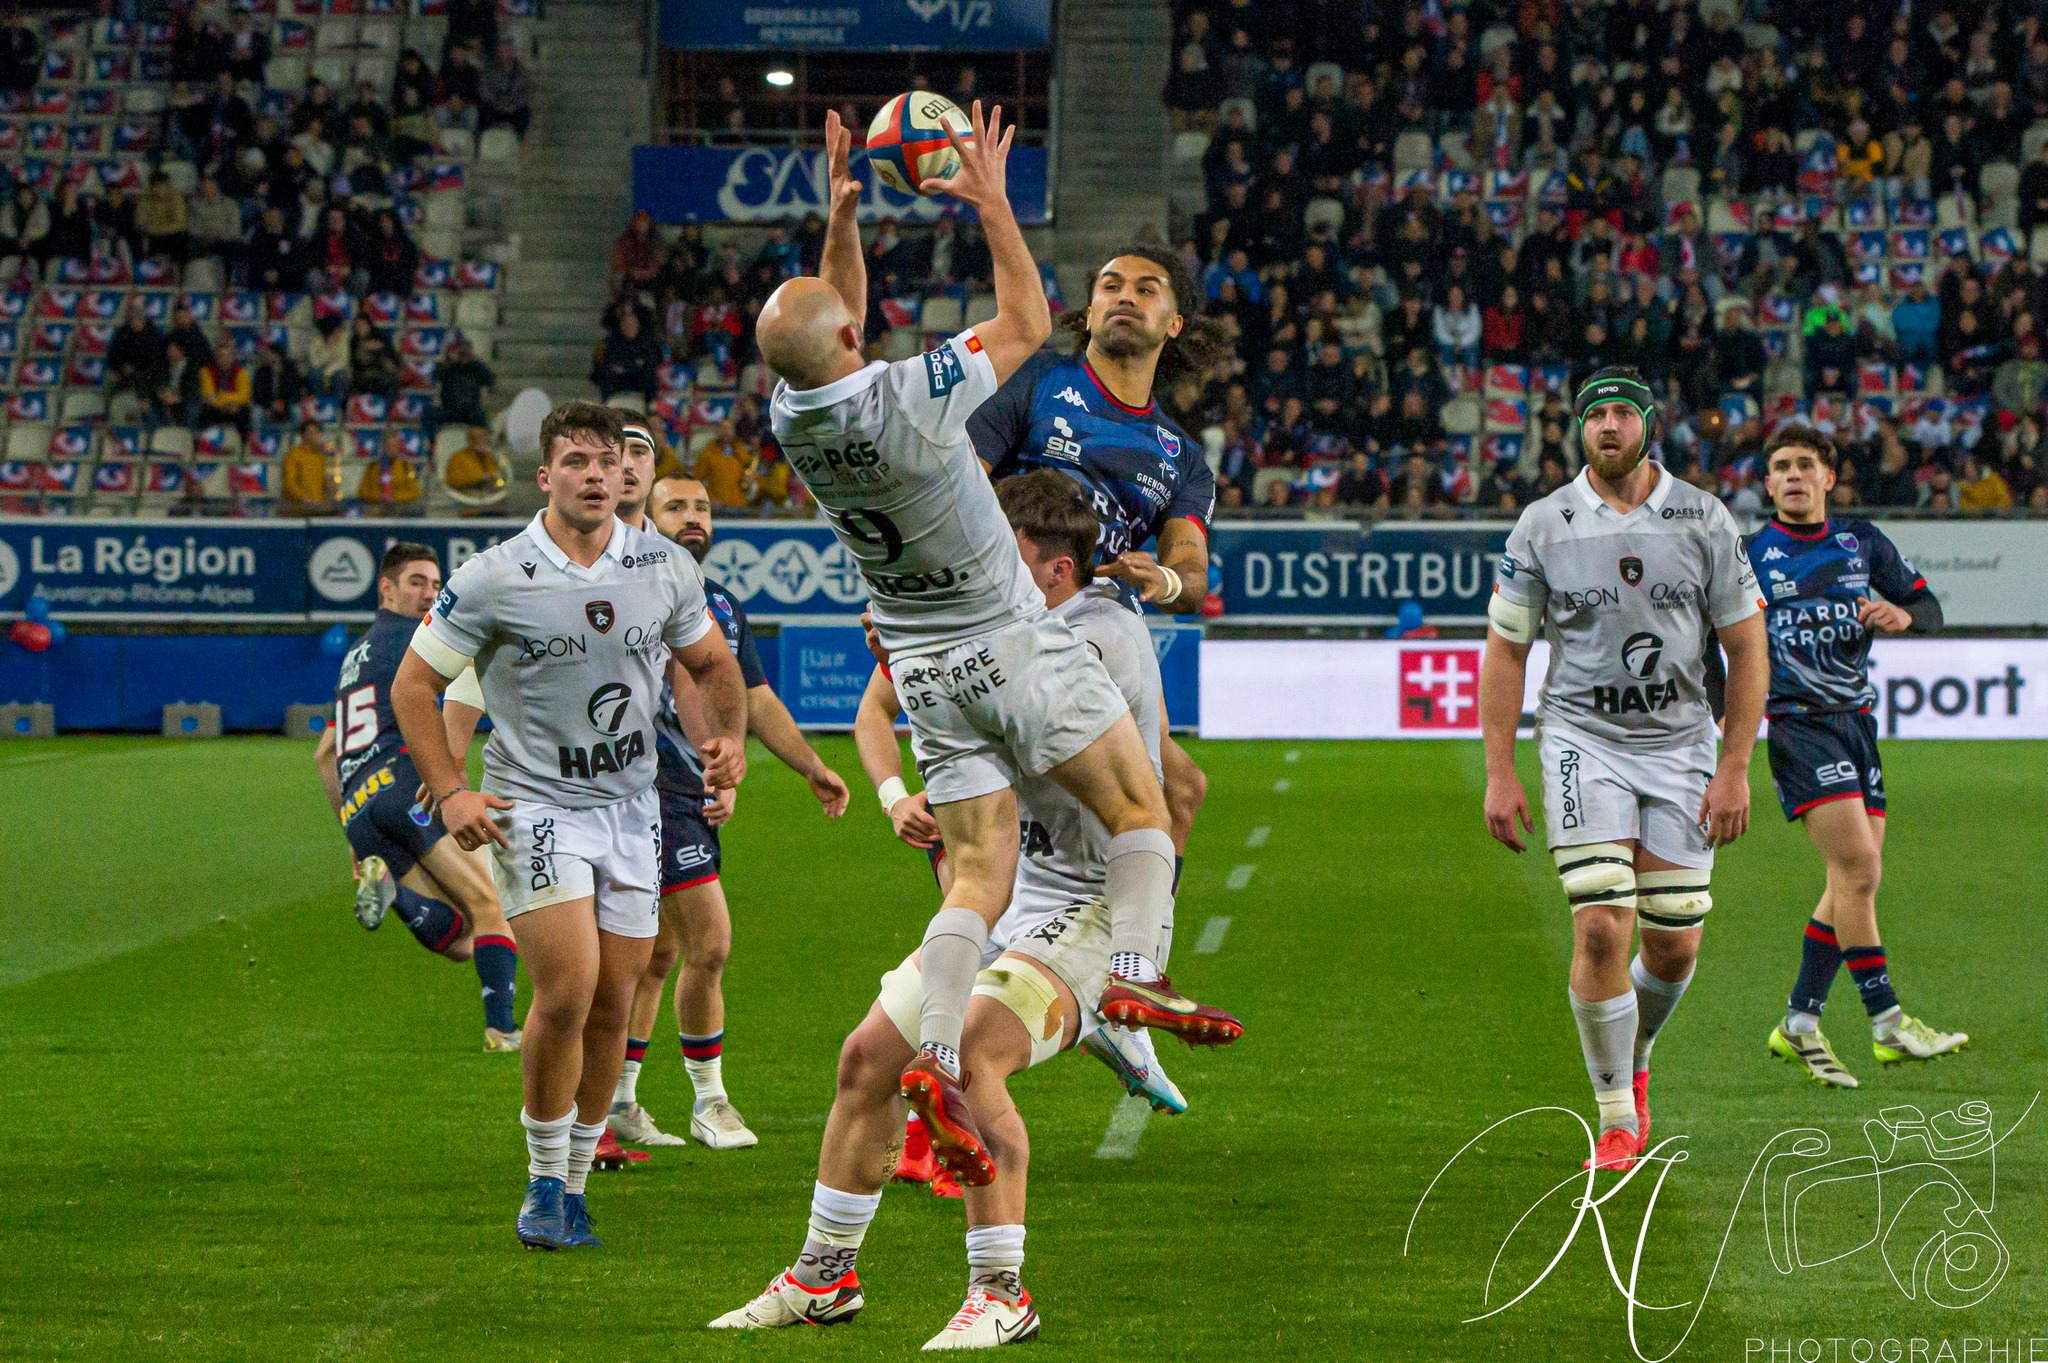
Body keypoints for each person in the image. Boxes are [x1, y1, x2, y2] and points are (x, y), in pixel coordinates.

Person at [755, 103, 1238, 1199]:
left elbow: (841, 327)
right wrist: (987, 199)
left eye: (1139, 286)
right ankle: (1130, 981)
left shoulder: (800, 410)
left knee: (1008, 856)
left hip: (943, 656)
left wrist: (841, 215)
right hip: (1026, 630)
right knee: (1139, 809)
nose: (1116, 295)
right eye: (1108, 282)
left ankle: (941, 1049)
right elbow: (1016, 322)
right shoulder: (979, 394)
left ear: (1171, 323)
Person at [710, 472, 1174, 1343]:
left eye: (1004, 548)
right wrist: (915, 682)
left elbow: (1041, 764)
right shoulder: (1007, 627)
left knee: (969, 1055)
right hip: (1010, 900)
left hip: (1090, 904)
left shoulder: (1101, 638)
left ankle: (1001, 1289)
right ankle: (822, 1276)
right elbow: (905, 713)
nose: (977, 560)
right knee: (866, 1060)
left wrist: (933, 669)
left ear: (1055, 571)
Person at [390, 401, 749, 1251]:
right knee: (571, 985)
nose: (595, 474)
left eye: (608, 460)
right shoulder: (493, 574)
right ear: (545, 475)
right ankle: (542, 1181)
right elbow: (415, 686)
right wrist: (450, 792)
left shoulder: (662, 565)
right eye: (576, 461)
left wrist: (724, 737)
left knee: (617, 1000)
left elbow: (712, 663)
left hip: (633, 809)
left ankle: (575, 1181)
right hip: (535, 806)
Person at [1479, 366, 1769, 1176]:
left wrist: (1736, 763)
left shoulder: (1703, 518)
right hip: (1582, 739)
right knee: (1603, 919)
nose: (1606, 427)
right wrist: (1500, 771)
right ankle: (1613, 1116)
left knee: (1674, 937)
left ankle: (1634, 1049)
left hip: (1682, 744)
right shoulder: (1544, 523)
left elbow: (1747, 647)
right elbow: (1507, 651)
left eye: (1620, 414)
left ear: (1649, 424)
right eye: (1594, 416)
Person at [607, 461, 852, 1151]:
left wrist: (810, 766)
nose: (695, 517)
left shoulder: (718, 603)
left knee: (660, 953)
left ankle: (621, 1101)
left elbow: (755, 696)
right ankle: (709, 1101)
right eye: (677, 504)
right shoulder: (624, 588)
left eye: (704, 506)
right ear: (646, 515)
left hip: (689, 791)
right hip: (634, 788)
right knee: (707, 941)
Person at [1750, 425, 1965, 1086]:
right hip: (1797, 725)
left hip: (1856, 725)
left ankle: (1800, 1021)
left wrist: (1904, 617)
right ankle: (1887, 1022)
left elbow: (1926, 606)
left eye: (1804, 464)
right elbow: (1711, 639)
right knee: (1859, 868)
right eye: (1780, 466)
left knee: (1851, 881)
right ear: (1767, 483)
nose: (1792, 474)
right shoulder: (1749, 553)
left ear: (1827, 476)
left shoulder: (1861, 540)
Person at [310, 544, 523, 1050]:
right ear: (385, 588)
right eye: (416, 582)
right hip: (408, 783)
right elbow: (466, 684)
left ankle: (395, 894)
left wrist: (350, 825)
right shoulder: (423, 640)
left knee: (464, 942)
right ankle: (502, 1030)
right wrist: (450, 774)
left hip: (360, 803)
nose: (430, 592)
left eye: (435, 583)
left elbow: (324, 754)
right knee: (493, 905)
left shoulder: (355, 656)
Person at [282, 419, 341, 514]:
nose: (313, 436)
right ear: (302, 434)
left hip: (318, 507)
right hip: (298, 508)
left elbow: (324, 480)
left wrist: (330, 487)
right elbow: (289, 483)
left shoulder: (321, 456)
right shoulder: (293, 455)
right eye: (310, 432)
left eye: (316, 432)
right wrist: (302, 497)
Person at [356, 432, 422, 509]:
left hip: (400, 510)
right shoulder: (372, 467)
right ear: (383, 447)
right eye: (388, 446)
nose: (391, 449)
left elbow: (415, 492)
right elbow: (362, 491)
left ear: (398, 447)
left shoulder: (406, 467)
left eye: (394, 446)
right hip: (375, 509)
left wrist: (395, 497)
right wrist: (379, 497)